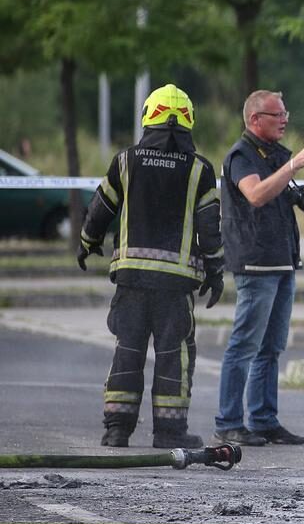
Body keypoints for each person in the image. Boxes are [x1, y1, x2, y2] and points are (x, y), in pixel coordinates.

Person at [77, 84, 224, 449]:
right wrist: (216, 270)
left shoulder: (125, 161)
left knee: (127, 350)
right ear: (188, 120)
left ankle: (116, 430)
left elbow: (100, 209)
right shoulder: (199, 170)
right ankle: (169, 432)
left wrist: (87, 242)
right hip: (175, 285)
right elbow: (211, 226)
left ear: (148, 117)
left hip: (131, 280)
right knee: (174, 356)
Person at [213, 90, 304, 447]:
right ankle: (229, 421)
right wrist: (292, 167)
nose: (284, 119)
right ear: (255, 119)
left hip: (282, 260)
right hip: (256, 261)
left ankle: (263, 419)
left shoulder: (273, 154)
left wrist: (288, 170)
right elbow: (256, 195)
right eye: (277, 114)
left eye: (285, 113)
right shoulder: (241, 156)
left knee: (271, 346)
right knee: (245, 343)